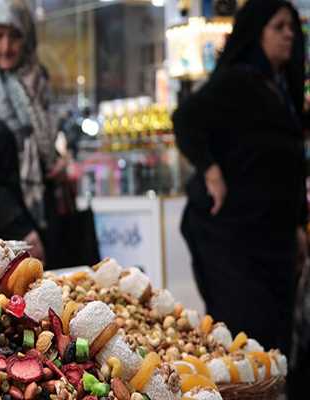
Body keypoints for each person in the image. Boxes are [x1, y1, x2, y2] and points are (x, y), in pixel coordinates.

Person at [173, 0, 306, 362]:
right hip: (231, 239)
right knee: (246, 338)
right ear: (257, 31)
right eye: (279, 26)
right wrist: (211, 171)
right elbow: (185, 119)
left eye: (291, 26)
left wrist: (296, 223)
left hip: (271, 238)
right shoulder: (237, 82)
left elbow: (288, 167)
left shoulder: (283, 88)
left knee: (278, 342)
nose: (289, 34)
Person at [0, 0, 66, 262]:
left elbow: (41, 141)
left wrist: (59, 161)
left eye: (14, 36)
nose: (5, 47)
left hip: (41, 217)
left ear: (28, 37)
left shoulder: (37, 78)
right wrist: (23, 230)